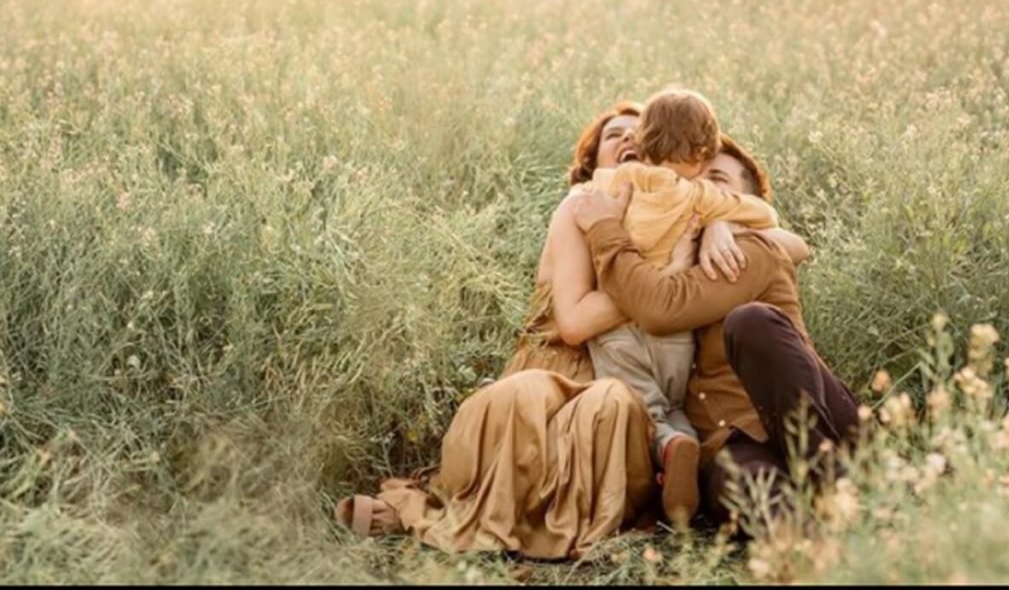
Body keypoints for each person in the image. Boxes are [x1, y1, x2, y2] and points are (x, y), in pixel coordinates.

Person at [334, 102, 659, 560]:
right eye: (614, 135)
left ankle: (571, 525)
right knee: (522, 397)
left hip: (622, 376)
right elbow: (573, 324)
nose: (628, 139)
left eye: (640, 134)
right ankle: (482, 508)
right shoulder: (578, 207)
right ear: (591, 164)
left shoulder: (674, 219)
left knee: (614, 405)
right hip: (551, 367)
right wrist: (660, 286)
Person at [569, 136, 861, 535]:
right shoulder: (680, 258)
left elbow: (658, 308)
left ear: (746, 201)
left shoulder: (749, 250)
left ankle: (833, 484)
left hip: (817, 422)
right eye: (690, 179)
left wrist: (605, 228)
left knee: (750, 321)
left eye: (716, 180)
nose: (697, 190)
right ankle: (809, 546)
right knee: (745, 487)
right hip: (731, 444)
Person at [559, 87, 784, 529]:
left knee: (644, 403)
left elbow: (589, 201)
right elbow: (765, 216)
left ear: (641, 144)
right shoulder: (699, 196)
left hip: (619, 331)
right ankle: (681, 440)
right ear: (702, 154)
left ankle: (667, 445)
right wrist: (722, 216)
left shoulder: (617, 184)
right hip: (676, 337)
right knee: (672, 399)